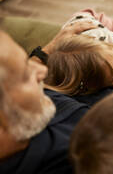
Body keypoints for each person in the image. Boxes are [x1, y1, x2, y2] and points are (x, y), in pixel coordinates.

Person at [0, 22, 96, 174]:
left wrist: (45, 53)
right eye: (25, 76)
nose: (43, 71)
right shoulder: (75, 161)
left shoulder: (21, 117)